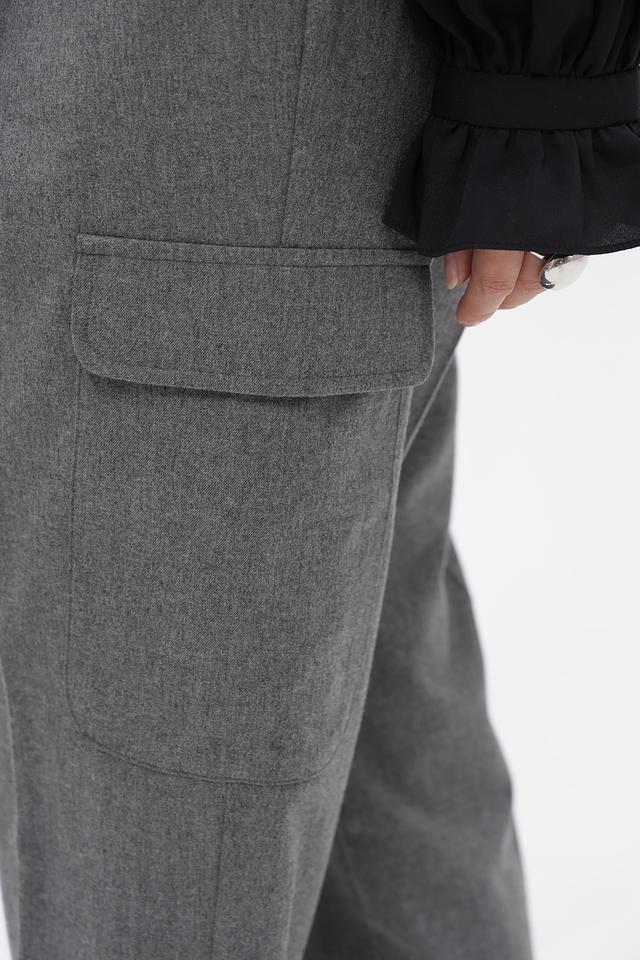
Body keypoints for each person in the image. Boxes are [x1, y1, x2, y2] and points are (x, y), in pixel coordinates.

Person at [0, 1, 638, 958]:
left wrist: (538, 77)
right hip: (217, 107)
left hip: (206, 96)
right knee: (352, 736)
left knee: (160, 845)